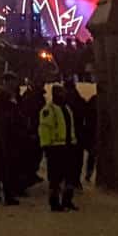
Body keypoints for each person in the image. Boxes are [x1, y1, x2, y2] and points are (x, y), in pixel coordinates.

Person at [38, 83, 80, 212]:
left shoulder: (66, 108)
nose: (63, 94)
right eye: (60, 92)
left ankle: (67, 200)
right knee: (55, 178)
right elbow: (44, 128)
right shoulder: (49, 109)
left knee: (70, 176)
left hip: (69, 146)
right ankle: (54, 202)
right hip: (55, 148)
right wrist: (46, 146)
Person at [0, 82, 22, 206]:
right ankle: (8, 196)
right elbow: (16, 123)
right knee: (7, 170)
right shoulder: (10, 108)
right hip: (7, 142)